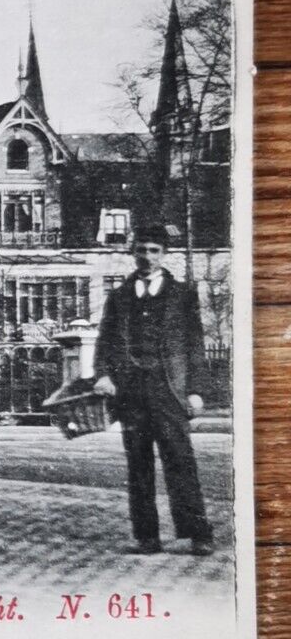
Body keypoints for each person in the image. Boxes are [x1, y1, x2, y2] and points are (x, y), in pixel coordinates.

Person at [93, 224, 214, 556]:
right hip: (130, 394)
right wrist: (103, 375)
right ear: (133, 253)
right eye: (142, 250)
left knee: (180, 461)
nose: (147, 257)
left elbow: (195, 346)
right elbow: (104, 341)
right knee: (139, 466)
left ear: (164, 254)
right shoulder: (119, 297)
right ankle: (147, 536)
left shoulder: (183, 295)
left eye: (154, 251)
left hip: (169, 391)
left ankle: (198, 534)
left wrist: (196, 391)